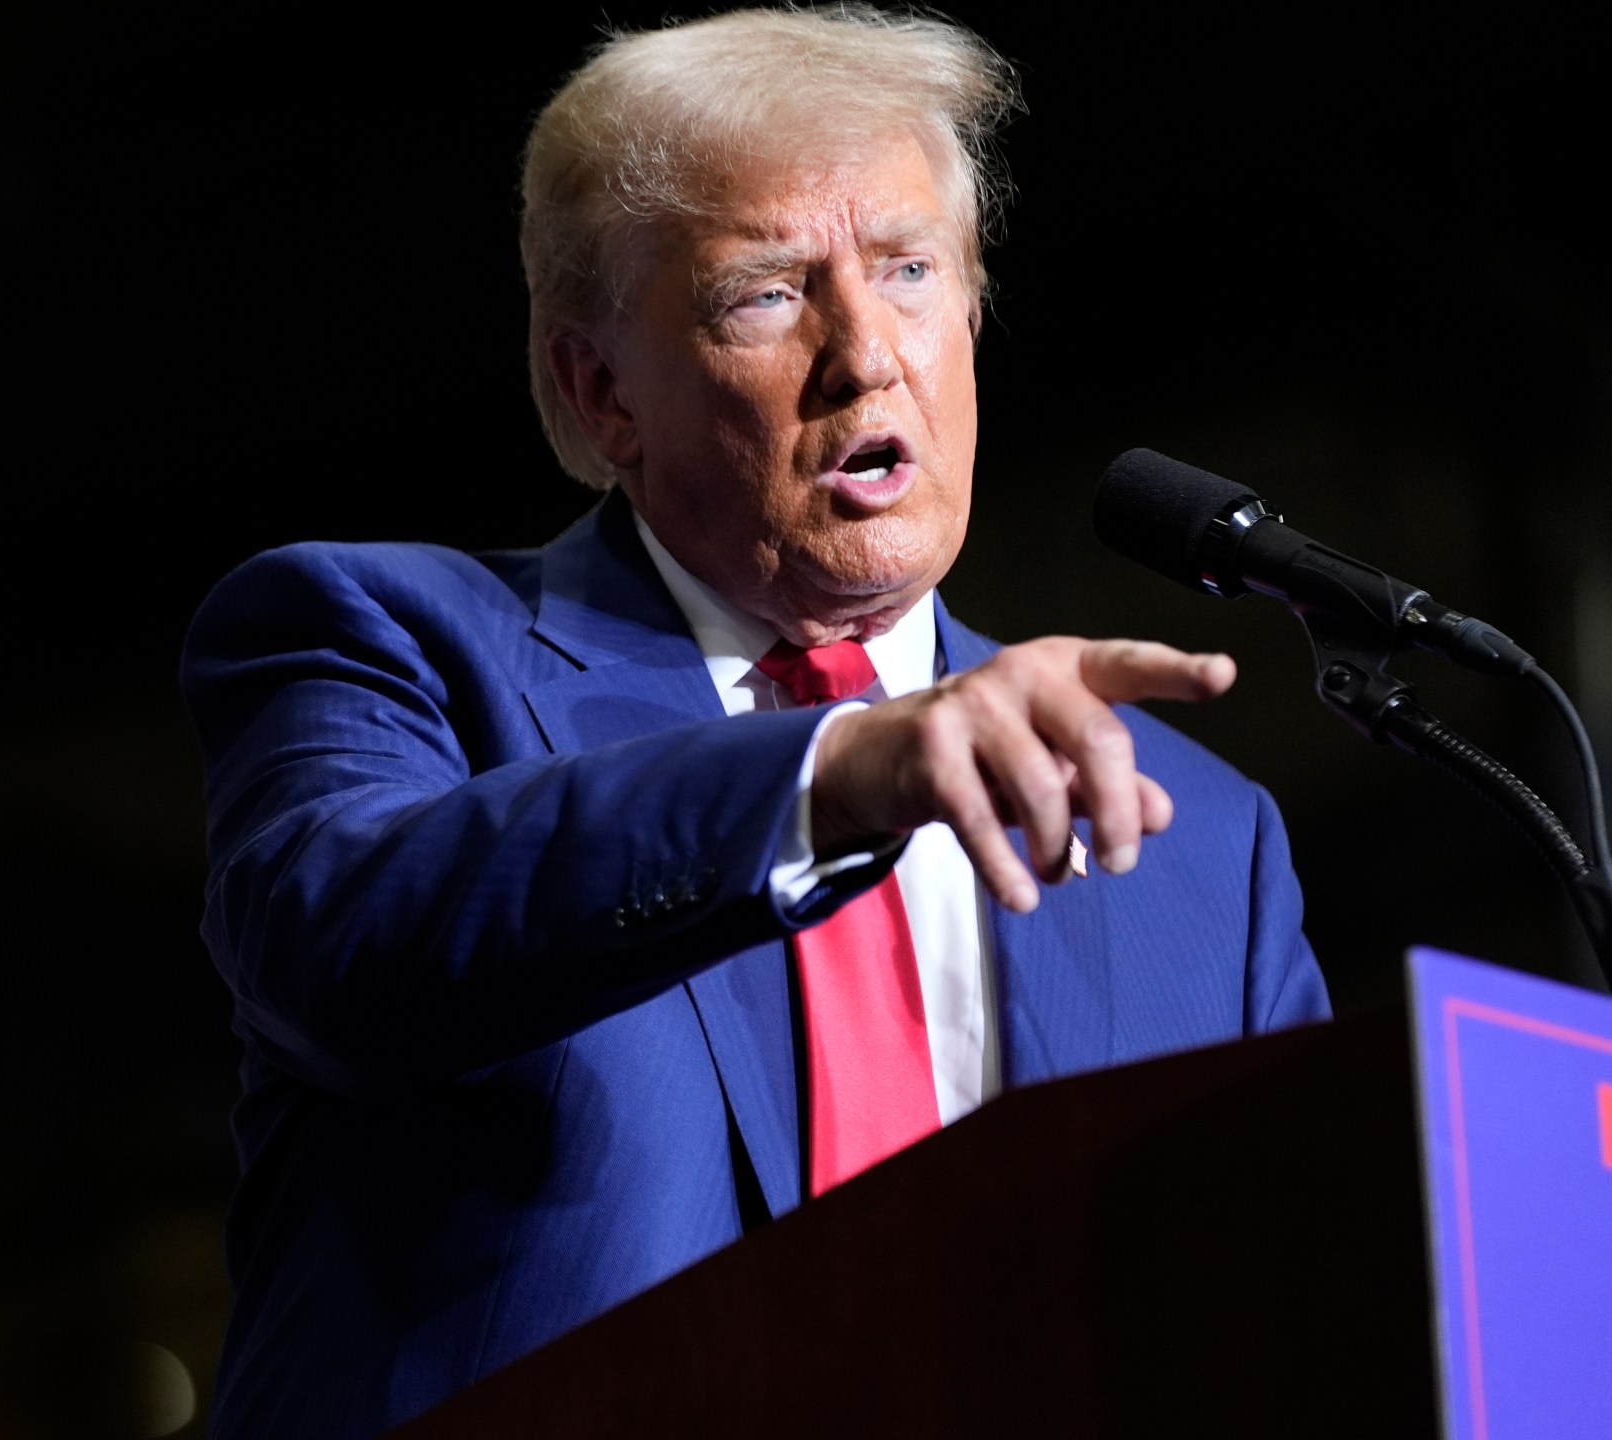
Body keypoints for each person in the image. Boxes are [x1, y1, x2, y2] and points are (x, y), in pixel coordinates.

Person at [179, 9, 1331, 1438]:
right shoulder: (387, 640)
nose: (867, 354)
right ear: (599, 393)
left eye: (910, 272)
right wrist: (832, 773)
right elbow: (338, 939)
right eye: (767, 295)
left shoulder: (1202, 844)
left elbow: (1298, 1307)